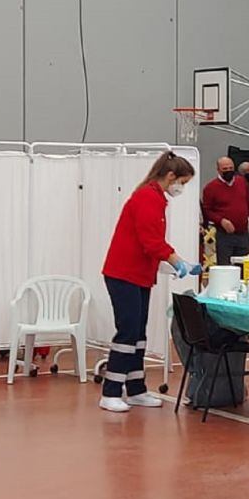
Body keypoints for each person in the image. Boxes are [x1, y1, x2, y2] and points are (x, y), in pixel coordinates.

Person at [100, 151, 202, 413]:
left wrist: (172, 263)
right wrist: (178, 260)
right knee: (128, 331)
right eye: (183, 182)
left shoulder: (156, 198)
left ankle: (136, 389)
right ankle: (110, 392)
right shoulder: (147, 198)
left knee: (139, 334)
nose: (182, 188)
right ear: (170, 176)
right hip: (123, 274)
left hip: (139, 274)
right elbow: (151, 241)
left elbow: (149, 243)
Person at [201, 156, 249, 268]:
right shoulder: (210, 188)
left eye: (231, 168)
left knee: (244, 267)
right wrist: (221, 220)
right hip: (224, 235)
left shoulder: (242, 182)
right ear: (218, 170)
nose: (228, 171)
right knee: (225, 267)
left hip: (243, 233)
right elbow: (207, 211)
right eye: (225, 169)